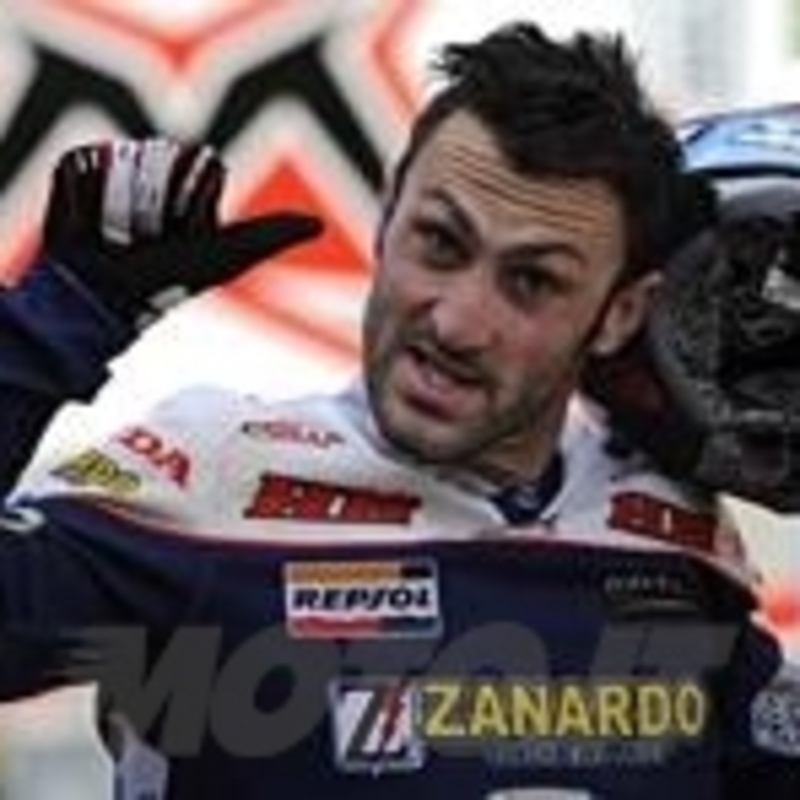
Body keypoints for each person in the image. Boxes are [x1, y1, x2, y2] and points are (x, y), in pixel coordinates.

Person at [0, 20, 798, 800]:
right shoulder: (212, 477)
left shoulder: (671, 531)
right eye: (440, 244)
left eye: (532, 282)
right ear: (386, 220)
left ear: (621, 314)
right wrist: (54, 320)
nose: (455, 323)